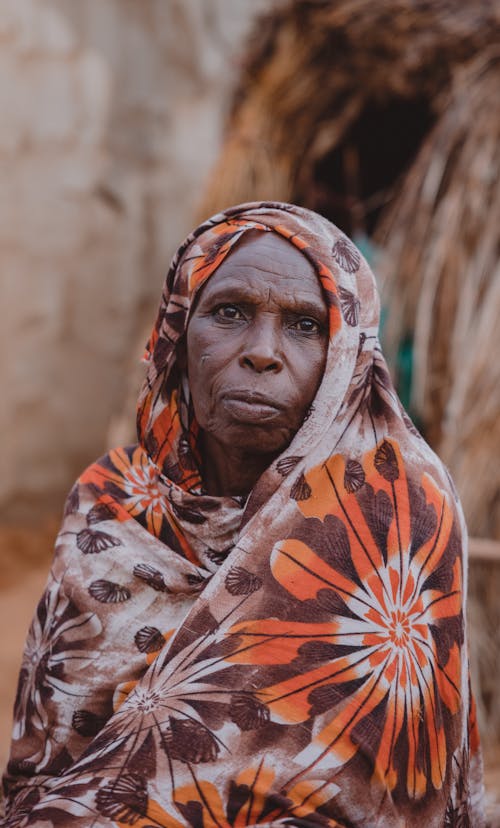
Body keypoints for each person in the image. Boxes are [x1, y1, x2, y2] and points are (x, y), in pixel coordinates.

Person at [1, 202, 484, 827]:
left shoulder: (398, 507)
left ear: (347, 357)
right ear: (176, 333)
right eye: (228, 313)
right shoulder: (112, 500)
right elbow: (47, 759)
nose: (262, 352)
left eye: (306, 325)